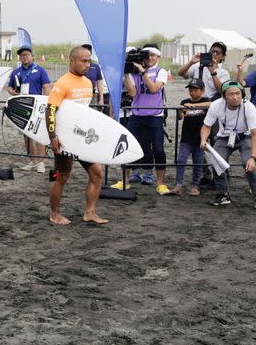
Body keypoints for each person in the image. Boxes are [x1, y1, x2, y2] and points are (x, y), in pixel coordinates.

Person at [47, 46, 107, 225]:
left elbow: (85, 113)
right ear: (72, 61)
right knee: (61, 176)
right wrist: (53, 137)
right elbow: (50, 111)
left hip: (82, 138)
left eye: (89, 61)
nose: (87, 65)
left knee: (96, 173)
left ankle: (90, 212)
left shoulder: (88, 83)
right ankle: (54, 214)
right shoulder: (63, 83)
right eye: (84, 61)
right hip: (64, 140)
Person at [111, 45, 173, 194]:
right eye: (147, 55)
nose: (150, 58)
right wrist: (126, 73)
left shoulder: (161, 72)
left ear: (158, 57)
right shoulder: (134, 72)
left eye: (153, 55)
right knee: (128, 146)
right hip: (136, 115)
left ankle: (161, 183)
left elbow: (153, 88)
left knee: (158, 149)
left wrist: (143, 72)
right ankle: (125, 181)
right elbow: (132, 93)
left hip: (154, 116)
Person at [200, 81, 256, 212]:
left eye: (238, 93)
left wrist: (253, 157)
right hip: (224, 136)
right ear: (224, 96)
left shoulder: (249, 107)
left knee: (248, 164)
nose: (235, 97)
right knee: (216, 159)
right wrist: (203, 140)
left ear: (242, 94)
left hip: (246, 136)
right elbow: (206, 126)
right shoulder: (216, 105)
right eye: (231, 94)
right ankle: (223, 194)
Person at [7, 45, 52, 173]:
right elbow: (9, 87)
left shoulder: (40, 70)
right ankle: (32, 160)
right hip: (22, 105)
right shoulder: (16, 72)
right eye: (22, 55)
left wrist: (46, 103)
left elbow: (46, 86)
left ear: (32, 56)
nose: (24, 57)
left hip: (37, 106)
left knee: (39, 134)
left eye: (26, 55)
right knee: (26, 135)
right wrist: (12, 92)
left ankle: (41, 162)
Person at [173, 79, 211, 195]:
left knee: (198, 163)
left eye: (195, 90)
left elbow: (211, 104)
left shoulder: (206, 100)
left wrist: (193, 106)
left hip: (200, 139)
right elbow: (180, 117)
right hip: (186, 138)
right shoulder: (185, 101)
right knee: (181, 161)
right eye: (190, 90)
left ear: (202, 90)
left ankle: (195, 186)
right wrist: (181, 110)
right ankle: (178, 185)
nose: (192, 92)